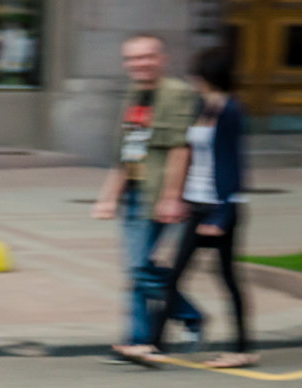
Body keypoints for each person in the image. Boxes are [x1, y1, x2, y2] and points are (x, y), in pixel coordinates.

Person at [123, 47, 256, 368]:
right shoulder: (202, 107)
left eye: (197, 73)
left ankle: (241, 349)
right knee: (177, 276)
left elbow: (233, 168)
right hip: (198, 205)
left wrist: (222, 214)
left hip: (219, 209)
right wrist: (181, 198)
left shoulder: (230, 111)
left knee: (224, 279)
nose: (192, 78)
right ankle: (154, 345)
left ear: (209, 76)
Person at [93, 33, 204, 361]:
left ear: (162, 59)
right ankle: (138, 341)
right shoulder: (137, 93)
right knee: (136, 269)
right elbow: (128, 149)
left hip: (157, 194)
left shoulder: (176, 94)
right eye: (132, 59)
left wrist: (172, 197)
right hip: (134, 192)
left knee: (140, 270)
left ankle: (188, 313)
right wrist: (109, 196)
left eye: (147, 57)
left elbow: (180, 147)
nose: (139, 64)